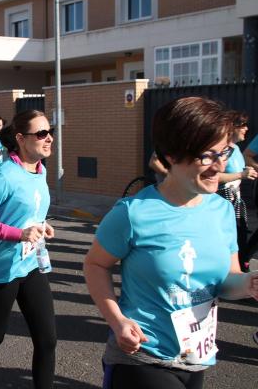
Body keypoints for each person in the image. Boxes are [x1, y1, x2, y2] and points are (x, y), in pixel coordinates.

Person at [83, 97, 258, 389]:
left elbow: (227, 281)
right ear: (172, 156)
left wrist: (250, 283)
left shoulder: (222, 210)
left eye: (224, 152)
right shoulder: (134, 212)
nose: (218, 166)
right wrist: (117, 320)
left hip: (195, 356)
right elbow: (95, 264)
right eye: (206, 155)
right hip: (142, 357)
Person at [0, 109, 56, 388]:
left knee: (47, 340)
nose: (49, 137)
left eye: (49, 131)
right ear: (20, 138)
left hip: (30, 266)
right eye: (41, 133)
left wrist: (42, 226)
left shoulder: (40, 171)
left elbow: (27, 211)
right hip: (1, 270)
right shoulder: (4, 175)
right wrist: (20, 234)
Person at [217, 114, 257, 272]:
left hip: (236, 201)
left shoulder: (236, 149)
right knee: (228, 239)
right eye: (243, 125)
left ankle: (240, 273)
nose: (247, 128)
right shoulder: (223, 149)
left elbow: (238, 172)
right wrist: (241, 174)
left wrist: (248, 171)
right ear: (231, 127)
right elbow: (214, 176)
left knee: (239, 238)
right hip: (223, 200)